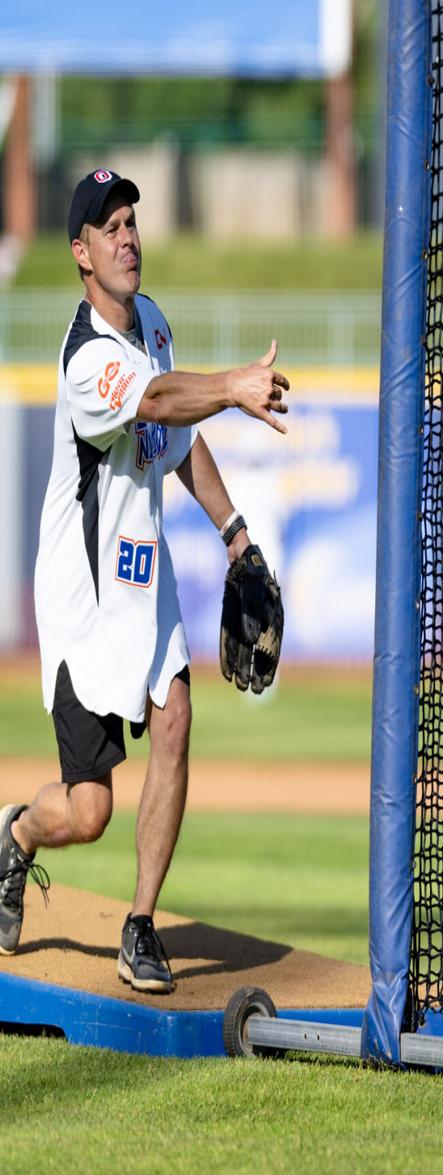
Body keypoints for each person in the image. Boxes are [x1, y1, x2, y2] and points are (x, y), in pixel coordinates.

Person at [0, 168, 290, 994]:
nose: (127, 235)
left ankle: (140, 925)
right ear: (79, 253)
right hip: (84, 601)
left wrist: (234, 536)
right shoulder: (88, 359)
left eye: (131, 220)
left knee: (177, 718)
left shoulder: (151, 323)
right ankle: (17, 834)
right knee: (86, 811)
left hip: (145, 577)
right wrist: (232, 386)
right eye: (108, 226)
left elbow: (176, 438)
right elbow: (159, 403)